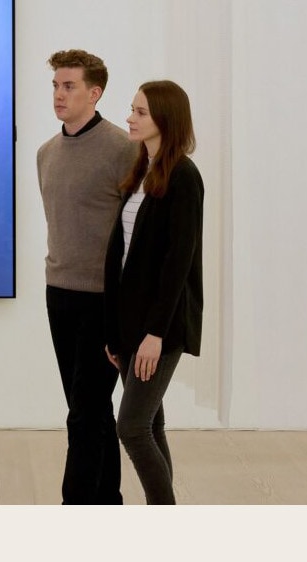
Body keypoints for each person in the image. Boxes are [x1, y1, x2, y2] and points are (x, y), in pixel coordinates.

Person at [36, 49, 139, 504]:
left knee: (83, 415)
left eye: (69, 86)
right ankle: (107, 502)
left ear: (95, 93)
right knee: (91, 411)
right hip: (58, 294)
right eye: (56, 85)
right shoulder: (46, 153)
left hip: (104, 301)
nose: (59, 94)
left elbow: (141, 230)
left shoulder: (125, 150)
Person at [104, 79, 203, 505]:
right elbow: (122, 257)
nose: (130, 117)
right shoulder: (140, 171)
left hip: (158, 329)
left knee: (131, 427)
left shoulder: (184, 176)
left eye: (140, 112)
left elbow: (178, 264)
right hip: (130, 325)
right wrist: (116, 332)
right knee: (150, 425)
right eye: (132, 109)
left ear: (165, 119)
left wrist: (154, 334)